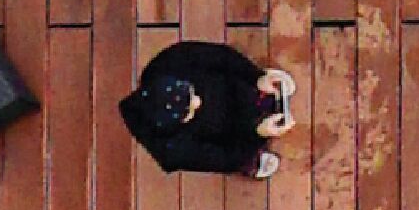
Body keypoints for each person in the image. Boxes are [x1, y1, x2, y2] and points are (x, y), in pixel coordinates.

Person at [120, 40, 297, 178]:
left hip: (228, 89)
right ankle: (251, 160)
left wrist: (254, 77)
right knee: (238, 157)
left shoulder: (169, 62)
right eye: (189, 109)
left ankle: (259, 94)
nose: (198, 101)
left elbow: (219, 56)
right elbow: (225, 159)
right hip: (224, 135)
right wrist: (257, 134)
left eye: (190, 92)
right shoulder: (173, 150)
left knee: (243, 87)